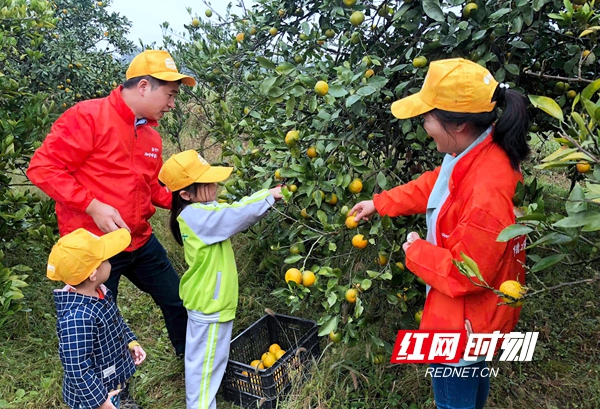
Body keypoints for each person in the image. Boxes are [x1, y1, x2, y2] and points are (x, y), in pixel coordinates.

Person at [350, 58, 530, 409]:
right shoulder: (476, 150)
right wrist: (381, 203)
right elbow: (436, 185)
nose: (424, 124)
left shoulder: (486, 190)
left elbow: (467, 272)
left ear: (459, 122)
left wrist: (415, 250)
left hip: (461, 329)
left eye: (428, 115)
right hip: (478, 320)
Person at [27, 50, 193, 357]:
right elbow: (42, 168)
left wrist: (188, 199)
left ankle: (195, 365)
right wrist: (92, 205)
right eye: (170, 95)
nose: (172, 104)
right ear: (144, 86)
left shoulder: (151, 137)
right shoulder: (88, 117)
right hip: (94, 249)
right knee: (100, 325)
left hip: (139, 240)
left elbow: (150, 187)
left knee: (177, 300)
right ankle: (114, 394)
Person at [157, 150, 283, 409]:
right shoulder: (198, 217)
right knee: (204, 371)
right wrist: (269, 197)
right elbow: (234, 217)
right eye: (208, 183)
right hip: (210, 304)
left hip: (209, 301)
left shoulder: (200, 210)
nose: (215, 186)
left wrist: (268, 194)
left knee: (207, 362)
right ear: (185, 194)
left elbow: (233, 209)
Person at [48, 228, 146, 409]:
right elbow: (77, 368)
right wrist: (100, 403)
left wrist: (130, 342)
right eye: (106, 260)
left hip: (111, 381)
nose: (110, 262)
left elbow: (115, 321)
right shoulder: (77, 318)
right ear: (93, 273)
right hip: (91, 398)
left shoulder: (99, 292)